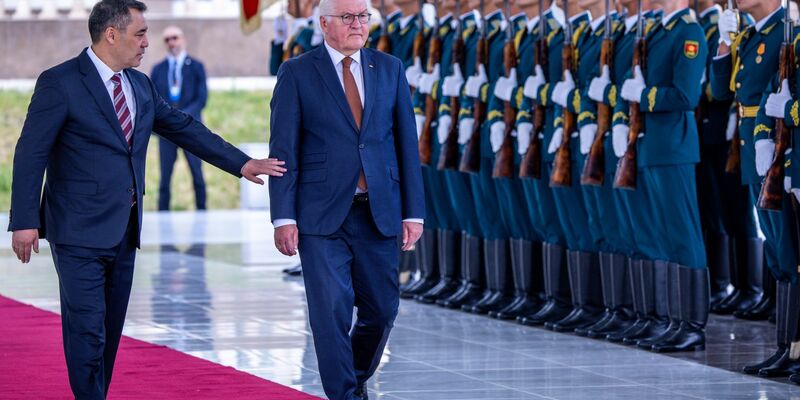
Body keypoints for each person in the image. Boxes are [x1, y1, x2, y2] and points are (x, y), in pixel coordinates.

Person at [7, 1, 286, 398]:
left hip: (125, 229)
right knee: (86, 327)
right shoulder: (61, 82)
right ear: (112, 34)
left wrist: (241, 163)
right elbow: (31, 152)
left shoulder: (139, 85)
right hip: (77, 230)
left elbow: (184, 128)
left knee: (109, 332)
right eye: (140, 34)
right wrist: (23, 220)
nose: (146, 43)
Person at [268, 0, 425, 397]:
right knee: (331, 312)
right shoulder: (297, 72)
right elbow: (283, 149)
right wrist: (283, 217)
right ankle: (344, 393)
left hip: (378, 211)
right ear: (324, 24)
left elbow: (406, 143)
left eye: (363, 17)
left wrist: (414, 212)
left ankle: (351, 380)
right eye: (348, 17)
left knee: (382, 311)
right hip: (320, 216)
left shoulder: (388, 68)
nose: (358, 24)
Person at [150, 25, 208, 211]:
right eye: (167, 39)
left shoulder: (197, 66)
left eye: (175, 38)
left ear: (182, 39)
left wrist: (181, 118)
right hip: (167, 132)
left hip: (190, 129)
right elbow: (153, 99)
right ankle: (162, 213)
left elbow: (201, 98)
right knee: (164, 177)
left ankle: (202, 212)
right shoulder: (158, 69)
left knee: (197, 174)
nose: (171, 42)